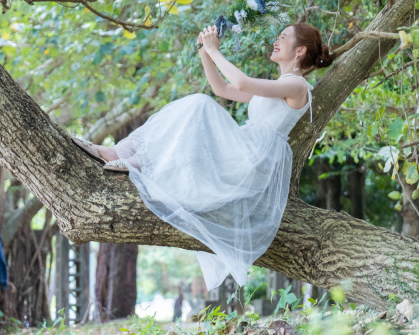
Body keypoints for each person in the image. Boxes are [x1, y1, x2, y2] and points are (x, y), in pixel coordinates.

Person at [72, 23, 333, 290]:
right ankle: (123, 154)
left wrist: (215, 50)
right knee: (195, 110)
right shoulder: (279, 84)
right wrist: (204, 52)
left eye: (283, 37)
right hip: (246, 150)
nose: (276, 41)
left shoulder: (298, 86)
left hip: (253, 158)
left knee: (199, 106)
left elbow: (241, 82)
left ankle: (132, 159)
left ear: (299, 50)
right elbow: (222, 89)